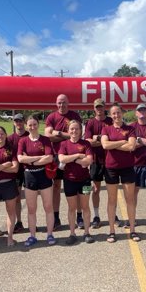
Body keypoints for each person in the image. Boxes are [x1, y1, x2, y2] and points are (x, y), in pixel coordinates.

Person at [101, 103, 138, 243]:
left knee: (130, 199)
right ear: (110, 115)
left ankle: (133, 230)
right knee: (112, 200)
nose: (116, 115)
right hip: (111, 168)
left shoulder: (130, 128)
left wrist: (114, 144)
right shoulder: (106, 129)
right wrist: (122, 141)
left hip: (127, 167)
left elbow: (132, 146)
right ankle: (111, 231)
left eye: (118, 112)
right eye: (114, 113)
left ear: (122, 113)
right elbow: (105, 145)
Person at [45, 94, 82, 230]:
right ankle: (56, 217)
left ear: (68, 103)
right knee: (56, 186)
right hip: (56, 156)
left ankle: (79, 216)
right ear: (56, 103)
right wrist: (67, 135)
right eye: (59, 103)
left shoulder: (75, 116)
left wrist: (58, 134)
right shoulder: (51, 117)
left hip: (73, 155)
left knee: (77, 185)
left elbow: (78, 135)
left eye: (64, 102)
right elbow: (48, 135)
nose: (62, 105)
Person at [17, 116, 56, 247]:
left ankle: (49, 234)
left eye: (34, 124)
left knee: (48, 207)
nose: (32, 127)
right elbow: (20, 159)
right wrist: (39, 157)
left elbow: (49, 158)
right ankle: (32, 236)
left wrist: (31, 160)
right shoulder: (23, 141)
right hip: (29, 176)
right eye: (30, 125)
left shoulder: (45, 140)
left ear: (38, 125)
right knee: (31, 209)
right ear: (27, 126)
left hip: (44, 175)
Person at [58, 120, 95, 244]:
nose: (74, 131)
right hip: (69, 181)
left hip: (85, 181)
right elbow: (61, 158)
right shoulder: (64, 144)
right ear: (68, 131)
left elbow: (89, 161)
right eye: (72, 129)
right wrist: (79, 155)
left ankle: (87, 233)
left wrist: (71, 159)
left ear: (81, 130)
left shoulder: (86, 144)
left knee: (85, 207)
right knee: (71, 208)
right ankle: (72, 234)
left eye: (77, 129)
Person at [84, 98, 114, 228]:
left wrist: (97, 138)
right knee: (95, 189)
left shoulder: (111, 121)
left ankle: (112, 215)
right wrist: (103, 141)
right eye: (97, 107)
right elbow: (88, 141)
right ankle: (96, 215)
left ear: (104, 107)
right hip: (96, 160)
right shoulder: (90, 122)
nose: (99, 109)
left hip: (110, 160)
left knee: (111, 190)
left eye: (101, 107)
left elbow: (114, 138)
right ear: (94, 108)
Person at [128, 103, 146, 228]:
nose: (142, 112)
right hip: (135, 164)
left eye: (144, 109)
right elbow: (130, 145)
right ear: (136, 113)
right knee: (133, 193)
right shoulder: (131, 127)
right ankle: (132, 219)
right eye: (140, 110)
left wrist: (140, 140)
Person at [7, 113, 29, 233]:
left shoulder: (29, 136)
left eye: (20, 121)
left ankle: (32, 221)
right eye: (16, 121)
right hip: (16, 171)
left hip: (29, 170)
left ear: (24, 122)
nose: (18, 123)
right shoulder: (10, 139)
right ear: (14, 123)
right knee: (17, 198)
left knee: (31, 197)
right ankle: (19, 221)